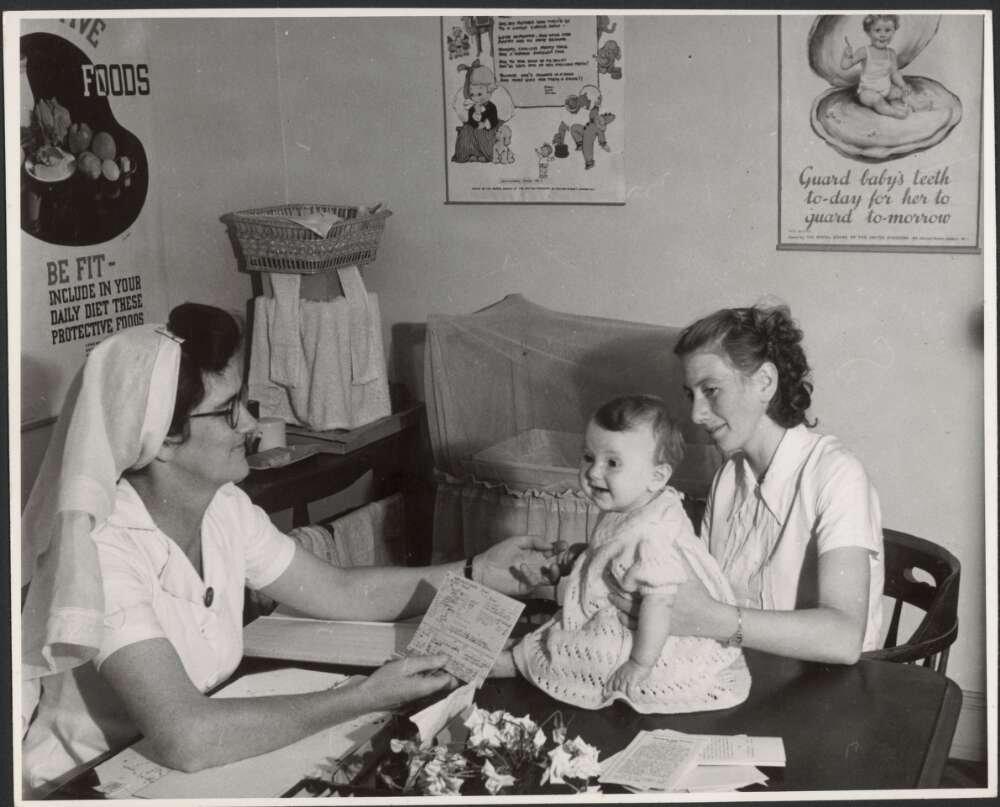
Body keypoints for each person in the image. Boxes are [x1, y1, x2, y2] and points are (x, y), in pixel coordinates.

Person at [20, 303, 558, 798]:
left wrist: (478, 571)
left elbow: (340, 591)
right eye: (230, 412)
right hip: (89, 783)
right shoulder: (102, 550)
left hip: (202, 753)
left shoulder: (224, 506)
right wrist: (364, 696)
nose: (252, 427)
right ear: (161, 438)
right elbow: (187, 736)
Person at [601, 305, 883, 666]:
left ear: (765, 382)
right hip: (750, 674)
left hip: (828, 689)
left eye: (712, 390)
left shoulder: (837, 475)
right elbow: (700, 589)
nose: (696, 414)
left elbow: (843, 638)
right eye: (691, 394)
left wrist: (709, 620)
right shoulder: (729, 477)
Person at [492, 395, 751, 714]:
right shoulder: (632, 503)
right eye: (588, 457)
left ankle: (515, 664)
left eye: (612, 463)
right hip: (625, 609)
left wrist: (640, 664)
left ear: (657, 476)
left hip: (649, 635)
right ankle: (522, 652)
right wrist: (572, 559)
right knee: (561, 630)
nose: (593, 473)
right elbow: (607, 554)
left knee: (580, 650)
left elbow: (660, 602)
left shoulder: (652, 533)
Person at [841, 15, 911, 119]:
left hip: (886, 88)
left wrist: (902, 85)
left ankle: (909, 105)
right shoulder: (864, 51)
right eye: (877, 30)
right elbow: (845, 66)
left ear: (893, 32)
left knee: (899, 93)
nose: (883, 35)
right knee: (876, 99)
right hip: (867, 91)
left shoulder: (891, 53)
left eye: (888, 30)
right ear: (869, 32)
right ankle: (893, 113)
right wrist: (846, 56)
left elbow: (894, 73)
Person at [451, 59, 500, 163]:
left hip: (487, 130)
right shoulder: (472, 106)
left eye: (479, 94)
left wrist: (486, 124)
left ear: (489, 91)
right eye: (472, 94)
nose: (475, 98)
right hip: (475, 127)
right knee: (466, 131)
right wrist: (475, 116)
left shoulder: (491, 106)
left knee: (482, 135)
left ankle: (485, 155)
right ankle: (468, 154)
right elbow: (471, 120)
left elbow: (494, 119)